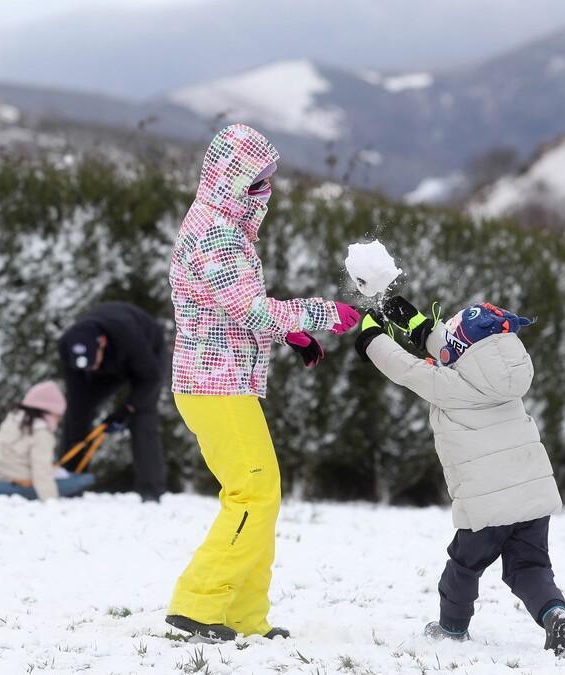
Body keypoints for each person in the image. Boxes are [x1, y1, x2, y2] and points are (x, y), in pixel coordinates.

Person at [164, 123, 361, 641]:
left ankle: (244, 616)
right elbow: (251, 310)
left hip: (220, 382)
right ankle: (199, 603)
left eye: (268, 180)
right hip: (214, 386)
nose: (264, 191)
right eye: (256, 180)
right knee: (253, 493)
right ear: (231, 179)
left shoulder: (221, 225)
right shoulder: (216, 232)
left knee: (259, 494)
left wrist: (291, 334)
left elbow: (230, 308)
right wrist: (318, 314)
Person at [355, 296, 565, 655]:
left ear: (465, 351)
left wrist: (371, 337)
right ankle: (555, 615)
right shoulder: (505, 375)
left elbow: (405, 368)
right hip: (533, 499)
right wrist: (416, 323)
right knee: (530, 567)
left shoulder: (453, 386)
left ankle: (451, 629)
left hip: (486, 505)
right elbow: (455, 349)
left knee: (463, 566)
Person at [57, 302, 167, 502]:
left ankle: (151, 490)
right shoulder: (67, 345)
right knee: (77, 413)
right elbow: (77, 399)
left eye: (93, 363)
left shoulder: (128, 335)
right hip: (109, 366)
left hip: (146, 359)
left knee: (142, 416)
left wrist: (125, 409)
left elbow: (151, 378)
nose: (89, 370)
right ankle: (70, 479)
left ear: (102, 343)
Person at [0, 381, 95, 500]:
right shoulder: (42, 433)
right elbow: (41, 468)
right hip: (20, 476)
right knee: (59, 474)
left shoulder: (13, 418)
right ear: (50, 412)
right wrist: (50, 499)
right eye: (58, 415)